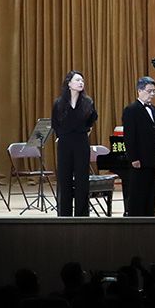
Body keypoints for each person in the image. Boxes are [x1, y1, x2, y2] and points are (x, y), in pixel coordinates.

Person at [50, 70, 97, 216]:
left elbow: (91, 121)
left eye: (82, 80)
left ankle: (82, 215)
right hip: (65, 143)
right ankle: (64, 214)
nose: (81, 83)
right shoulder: (59, 103)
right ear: (69, 83)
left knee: (82, 178)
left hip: (81, 142)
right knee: (64, 178)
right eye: (77, 80)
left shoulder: (88, 102)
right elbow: (55, 123)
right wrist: (61, 135)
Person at [121, 76, 155, 217]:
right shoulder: (131, 110)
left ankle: (150, 218)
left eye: (154, 91)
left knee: (150, 192)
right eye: (149, 91)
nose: (152, 94)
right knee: (138, 192)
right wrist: (134, 158)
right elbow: (129, 136)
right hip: (139, 159)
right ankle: (136, 221)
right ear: (139, 91)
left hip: (152, 158)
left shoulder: (154, 110)